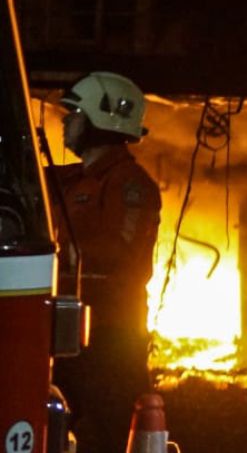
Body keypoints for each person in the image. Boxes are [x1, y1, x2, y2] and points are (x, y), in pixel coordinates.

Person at [51, 71, 161, 453]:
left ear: (102, 120)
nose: (65, 123)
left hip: (112, 338)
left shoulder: (131, 185)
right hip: (69, 331)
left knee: (114, 433)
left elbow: (118, 251)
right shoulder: (76, 180)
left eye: (74, 116)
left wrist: (57, 254)